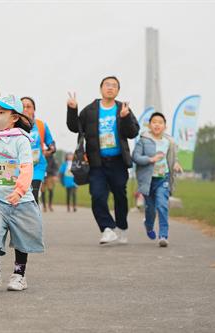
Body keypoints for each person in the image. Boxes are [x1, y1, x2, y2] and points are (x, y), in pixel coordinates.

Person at [0, 95, 44, 291]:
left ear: (14, 117)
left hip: (20, 201)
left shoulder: (22, 140)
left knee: (22, 238)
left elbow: (27, 167)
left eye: (2, 113)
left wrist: (20, 190)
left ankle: (18, 275)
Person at [66, 76, 139, 245]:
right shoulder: (90, 110)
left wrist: (125, 117)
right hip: (96, 162)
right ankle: (107, 228)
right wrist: (72, 109)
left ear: (118, 90)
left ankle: (122, 226)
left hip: (118, 161)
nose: (110, 88)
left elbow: (133, 132)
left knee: (120, 195)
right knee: (97, 195)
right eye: (107, 85)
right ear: (101, 89)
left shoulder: (123, 108)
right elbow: (74, 127)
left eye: (114, 86)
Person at [132, 112, 182, 247]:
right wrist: (150, 159)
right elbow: (135, 157)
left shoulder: (169, 142)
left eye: (160, 122)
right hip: (147, 181)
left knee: (162, 205)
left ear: (165, 126)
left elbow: (173, 158)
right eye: (154, 122)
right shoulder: (143, 140)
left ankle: (163, 235)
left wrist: (176, 164)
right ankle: (148, 225)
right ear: (149, 125)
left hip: (162, 179)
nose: (157, 124)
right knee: (151, 208)